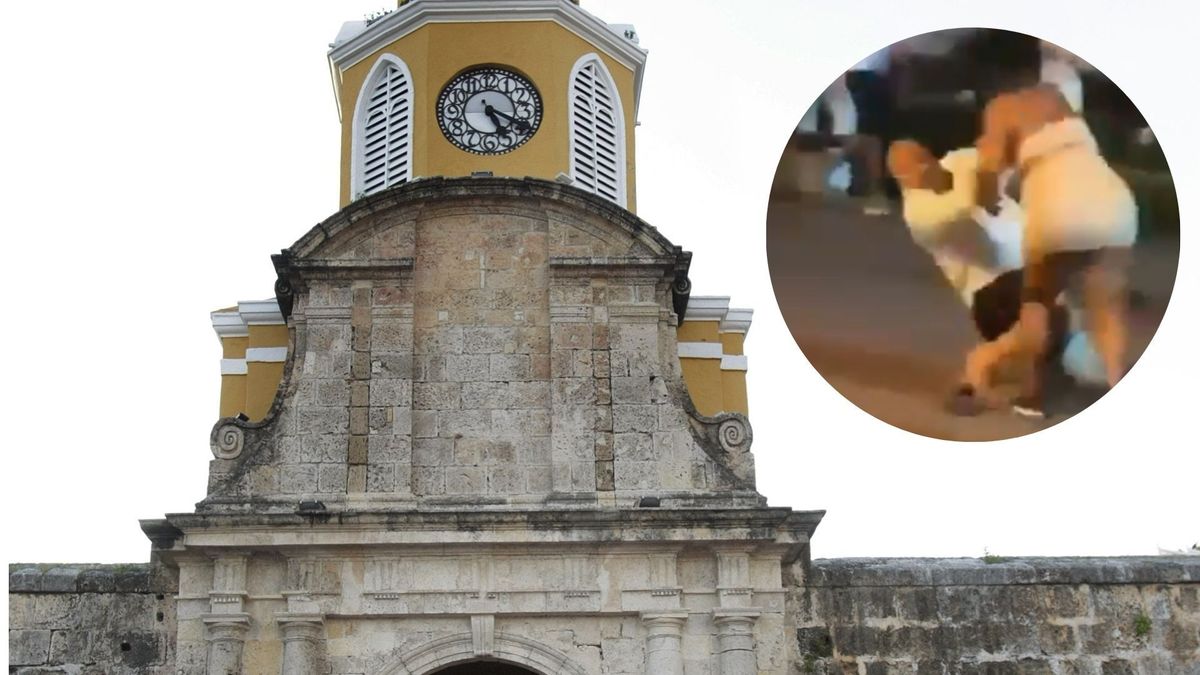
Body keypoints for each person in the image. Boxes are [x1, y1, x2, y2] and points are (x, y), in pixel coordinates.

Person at [886, 139, 1108, 414]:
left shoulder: (961, 161)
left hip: (1027, 269)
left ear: (930, 155)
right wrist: (987, 171)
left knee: (1080, 354)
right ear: (902, 182)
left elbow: (1006, 164)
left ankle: (986, 377)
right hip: (991, 293)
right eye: (908, 174)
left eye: (922, 160)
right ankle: (994, 372)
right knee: (1049, 313)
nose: (921, 172)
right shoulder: (920, 216)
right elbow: (968, 204)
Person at [973, 85, 1137, 418]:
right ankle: (1115, 385)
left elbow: (990, 165)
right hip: (1112, 200)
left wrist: (986, 199)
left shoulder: (1001, 106)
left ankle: (1032, 394)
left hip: (1058, 205)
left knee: (1037, 308)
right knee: (1107, 309)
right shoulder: (1054, 96)